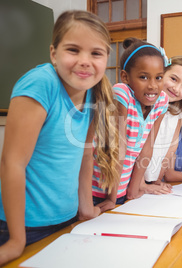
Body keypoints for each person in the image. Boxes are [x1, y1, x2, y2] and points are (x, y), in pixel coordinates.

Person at [0, 10, 119, 265]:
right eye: (73, 50)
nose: (85, 61)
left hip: (66, 220)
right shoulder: (41, 84)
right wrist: (15, 241)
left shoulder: (93, 92)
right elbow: (12, 163)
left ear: (106, 58)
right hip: (23, 227)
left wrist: (86, 209)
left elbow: (85, 155)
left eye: (95, 53)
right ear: (54, 53)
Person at [78, 37, 170, 218]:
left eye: (158, 77)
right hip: (97, 191)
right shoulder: (122, 94)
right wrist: (112, 197)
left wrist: (133, 191)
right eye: (143, 77)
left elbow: (146, 149)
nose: (152, 85)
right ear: (126, 77)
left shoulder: (161, 102)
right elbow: (117, 148)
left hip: (122, 191)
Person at [126, 56, 182, 199]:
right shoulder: (143, 108)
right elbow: (136, 149)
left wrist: (157, 180)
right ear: (161, 74)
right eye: (173, 79)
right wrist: (141, 185)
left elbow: (170, 149)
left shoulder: (177, 114)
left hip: (151, 178)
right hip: (131, 181)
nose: (176, 88)